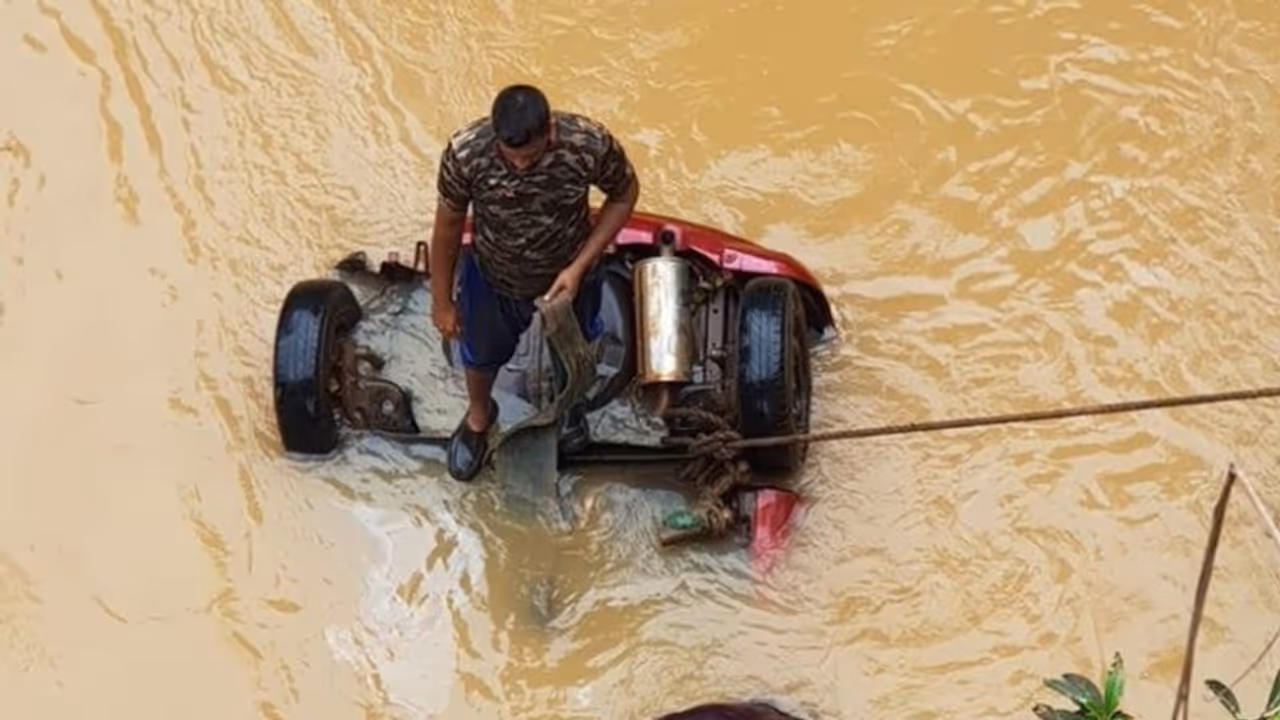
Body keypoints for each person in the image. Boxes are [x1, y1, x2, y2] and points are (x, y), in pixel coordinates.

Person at [428, 84, 640, 482]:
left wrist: (578, 267)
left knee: (574, 350)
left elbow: (625, 194)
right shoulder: (465, 153)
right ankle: (478, 416)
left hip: (569, 275)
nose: (522, 166)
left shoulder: (588, 144)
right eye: (512, 158)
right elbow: (448, 226)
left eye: (530, 157)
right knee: (479, 351)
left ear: (550, 133)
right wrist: (441, 301)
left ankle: (570, 411)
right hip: (495, 274)